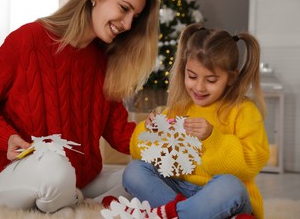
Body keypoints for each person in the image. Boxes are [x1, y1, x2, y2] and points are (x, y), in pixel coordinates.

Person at [0, 0, 159, 213]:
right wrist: (7, 137)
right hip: (3, 177)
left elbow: (119, 130)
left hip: (76, 179)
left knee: (138, 176)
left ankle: (65, 202)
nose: (128, 24)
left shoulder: (104, 61)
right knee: (55, 167)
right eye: (124, 8)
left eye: (135, 16)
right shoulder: (28, 39)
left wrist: (156, 135)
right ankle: (70, 201)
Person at [103, 23, 270, 219]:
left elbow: (250, 164)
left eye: (211, 80)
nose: (199, 87)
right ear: (184, 71)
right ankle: (187, 213)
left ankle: (164, 214)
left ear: (231, 78)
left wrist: (212, 138)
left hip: (220, 195)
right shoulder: (179, 108)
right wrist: (148, 132)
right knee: (134, 171)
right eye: (192, 76)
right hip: (179, 192)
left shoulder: (243, 110)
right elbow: (144, 155)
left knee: (230, 185)